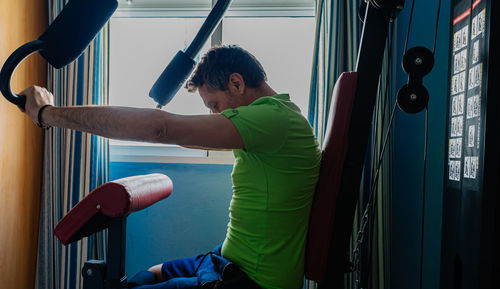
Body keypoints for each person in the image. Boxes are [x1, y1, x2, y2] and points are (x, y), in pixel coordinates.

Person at [21, 45, 321, 289]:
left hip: (249, 281)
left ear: (237, 83)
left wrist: (47, 113)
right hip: (227, 260)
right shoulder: (278, 117)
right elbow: (183, 136)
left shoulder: (271, 120)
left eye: (214, 105)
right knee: (152, 273)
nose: (216, 115)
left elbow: (159, 129)